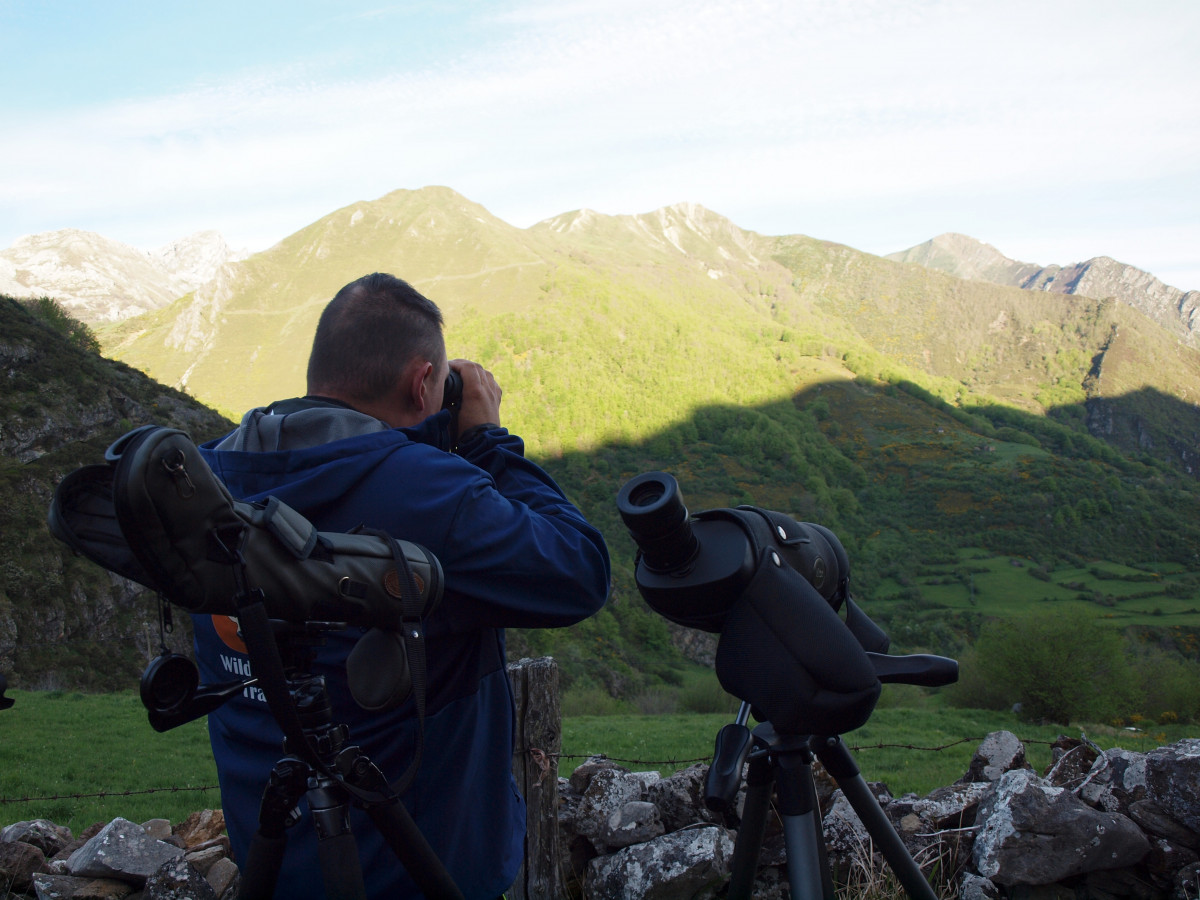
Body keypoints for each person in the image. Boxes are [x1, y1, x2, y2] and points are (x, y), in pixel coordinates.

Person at [191, 272, 610, 899]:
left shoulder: (209, 478)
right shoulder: (431, 496)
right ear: (421, 384)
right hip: (421, 870)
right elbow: (581, 570)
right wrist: (487, 443)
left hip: (276, 864)